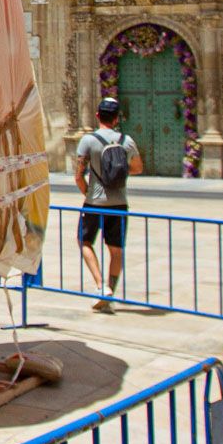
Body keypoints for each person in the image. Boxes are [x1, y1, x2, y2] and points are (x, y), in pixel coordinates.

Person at [76, 97, 143, 311]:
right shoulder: (127, 141)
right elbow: (138, 168)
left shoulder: (88, 140)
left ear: (97, 115)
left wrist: (88, 191)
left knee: (84, 241)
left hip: (94, 202)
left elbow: (78, 175)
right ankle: (111, 289)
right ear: (116, 118)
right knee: (116, 249)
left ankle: (100, 285)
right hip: (120, 203)